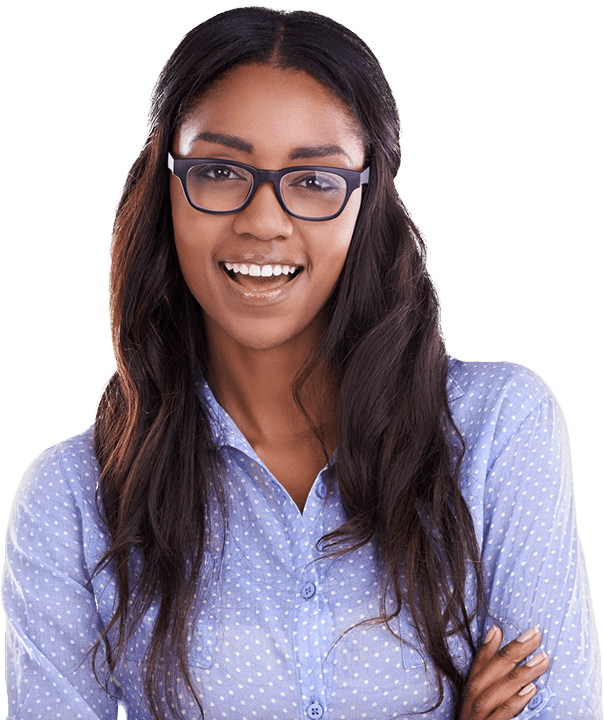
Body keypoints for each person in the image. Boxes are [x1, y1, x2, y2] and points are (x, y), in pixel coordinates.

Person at [2, 6, 601, 719]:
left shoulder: (498, 431)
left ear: (367, 200)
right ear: (166, 187)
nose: (263, 220)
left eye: (314, 180)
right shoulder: (71, 502)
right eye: (221, 170)